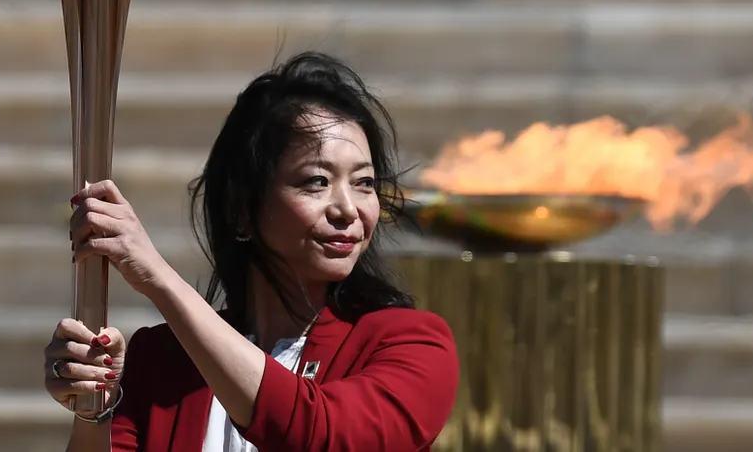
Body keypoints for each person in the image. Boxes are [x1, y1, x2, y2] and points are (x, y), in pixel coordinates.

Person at [41, 52, 458, 452]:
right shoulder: (162, 358)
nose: (348, 208)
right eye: (316, 181)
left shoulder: (411, 344)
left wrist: (158, 278)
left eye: (364, 183)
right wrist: (94, 406)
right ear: (241, 208)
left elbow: (317, 436)